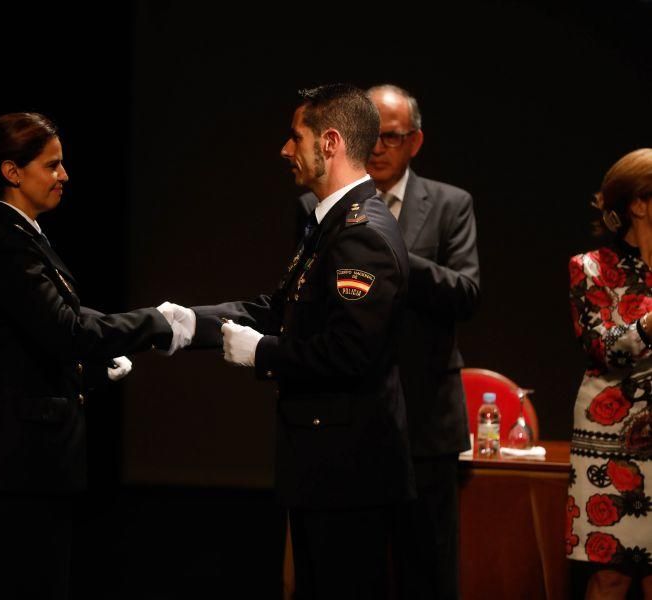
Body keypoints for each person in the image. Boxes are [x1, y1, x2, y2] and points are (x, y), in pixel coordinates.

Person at [0, 112, 192, 599]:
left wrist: (94, 366)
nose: (64, 176)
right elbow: (68, 327)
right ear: (13, 172)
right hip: (9, 466)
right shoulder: (8, 242)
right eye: (52, 165)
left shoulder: (24, 236)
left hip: (26, 464)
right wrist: (156, 322)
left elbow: (39, 333)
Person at [180, 83, 414, 598]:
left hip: (348, 473)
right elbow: (280, 307)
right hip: (328, 466)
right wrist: (185, 321)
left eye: (295, 136)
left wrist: (261, 352)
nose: (285, 150)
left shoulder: (361, 232)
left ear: (328, 143)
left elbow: (350, 353)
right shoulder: (330, 223)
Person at [365, 83, 480, 598]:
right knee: (357, 570)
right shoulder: (317, 207)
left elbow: (466, 292)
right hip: (354, 414)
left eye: (390, 137)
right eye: (367, 135)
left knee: (428, 569)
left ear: (415, 142)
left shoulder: (450, 204)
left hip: (427, 416)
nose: (376, 147)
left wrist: (394, 253)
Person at [568, 148, 652, 600]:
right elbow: (602, 349)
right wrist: (648, 324)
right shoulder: (593, 268)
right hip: (612, 443)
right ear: (639, 203)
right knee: (611, 575)